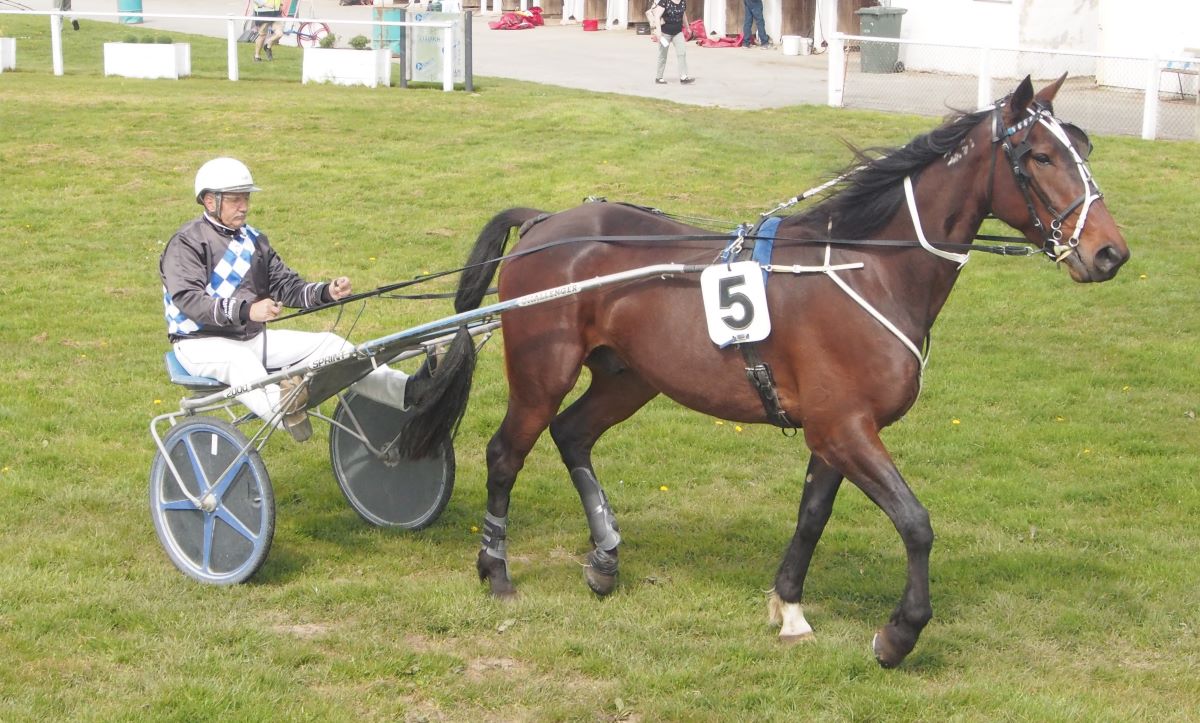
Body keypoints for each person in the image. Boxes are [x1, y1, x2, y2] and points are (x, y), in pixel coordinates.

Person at [160, 157, 431, 441]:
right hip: (200, 343)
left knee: (331, 344)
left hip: (249, 339)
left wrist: (326, 292)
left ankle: (407, 390)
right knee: (240, 361)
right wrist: (248, 310)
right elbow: (189, 300)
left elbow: (286, 286)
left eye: (246, 198)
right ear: (208, 201)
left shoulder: (254, 241)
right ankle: (286, 409)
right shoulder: (186, 243)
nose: (244, 206)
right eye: (234, 199)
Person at [649, 0, 695, 85]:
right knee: (662, 55)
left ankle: (683, 77)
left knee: (682, 53)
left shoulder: (683, 2)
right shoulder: (665, 1)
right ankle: (659, 77)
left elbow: (683, 15)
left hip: (678, 32)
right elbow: (657, 16)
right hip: (665, 33)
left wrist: (688, 28)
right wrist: (658, 32)